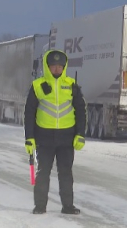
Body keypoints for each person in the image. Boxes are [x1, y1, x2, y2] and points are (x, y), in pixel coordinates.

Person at [24, 49, 87, 215]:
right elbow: (29, 113)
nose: (57, 69)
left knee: (66, 173)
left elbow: (81, 110)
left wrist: (80, 134)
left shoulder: (71, 85)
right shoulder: (37, 86)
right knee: (43, 172)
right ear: (47, 66)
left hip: (67, 138)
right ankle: (40, 206)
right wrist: (29, 138)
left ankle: (68, 206)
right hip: (44, 138)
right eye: (53, 66)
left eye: (60, 65)